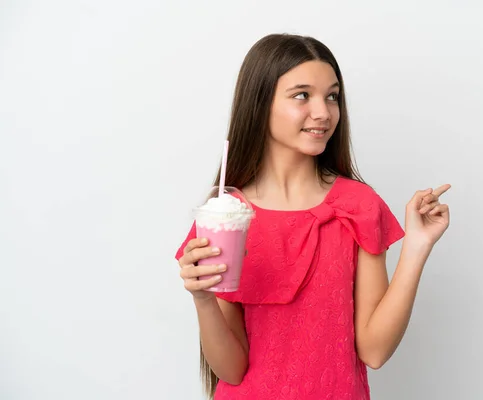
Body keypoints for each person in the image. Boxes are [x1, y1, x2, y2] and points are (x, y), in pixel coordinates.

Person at [175, 33, 451, 400]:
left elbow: (375, 350)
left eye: (332, 96)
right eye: (302, 95)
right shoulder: (227, 216)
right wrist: (203, 300)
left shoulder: (357, 206)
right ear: (259, 104)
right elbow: (231, 370)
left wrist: (416, 247)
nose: (323, 112)